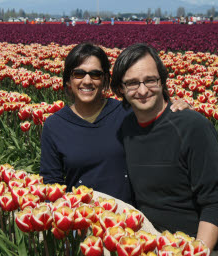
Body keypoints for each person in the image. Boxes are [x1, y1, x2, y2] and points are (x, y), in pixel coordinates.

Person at [110, 43, 218, 256]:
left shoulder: (192, 127)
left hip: (197, 248)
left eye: (150, 80)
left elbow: (214, 202)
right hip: (150, 244)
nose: (143, 90)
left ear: (162, 80)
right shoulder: (125, 128)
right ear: (121, 89)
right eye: (133, 83)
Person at [40, 43, 190, 204]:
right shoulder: (54, 125)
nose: (87, 81)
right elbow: (52, 185)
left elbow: (161, 131)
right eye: (79, 74)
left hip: (130, 218)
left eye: (96, 74)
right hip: (83, 218)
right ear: (68, 80)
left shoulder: (126, 112)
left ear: (105, 79)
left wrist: (180, 109)